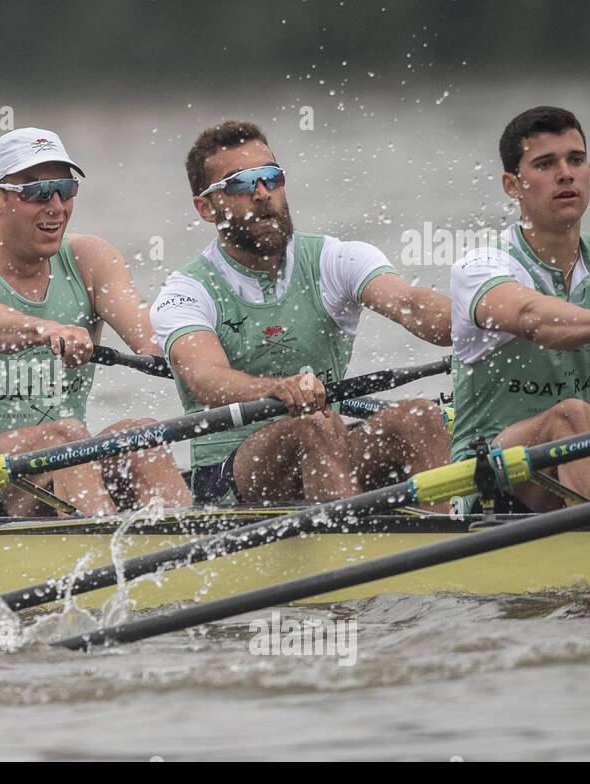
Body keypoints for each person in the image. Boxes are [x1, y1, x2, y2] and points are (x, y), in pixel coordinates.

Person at [150, 121, 453, 505]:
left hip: (329, 447)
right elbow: (207, 378)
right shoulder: (187, 291)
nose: (261, 194)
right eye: (240, 184)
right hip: (230, 479)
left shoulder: (333, 259)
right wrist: (274, 388)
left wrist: (478, 320)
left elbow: (409, 304)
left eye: (270, 177)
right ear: (206, 208)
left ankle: (446, 537)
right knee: (312, 425)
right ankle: (346, 553)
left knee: (421, 418)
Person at [0, 127, 191, 517]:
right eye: (37, 192)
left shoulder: (90, 260)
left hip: (63, 474)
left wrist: (204, 352)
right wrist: (46, 329)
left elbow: (152, 338)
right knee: (67, 435)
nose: (55, 206)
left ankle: (193, 559)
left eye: (65, 189)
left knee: (141, 434)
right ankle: (102, 560)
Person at [449, 105, 590, 511]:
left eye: (575, 160)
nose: (566, 173)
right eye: (546, 164)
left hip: (570, 473)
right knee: (572, 417)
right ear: (512, 185)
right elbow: (530, 318)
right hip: (488, 485)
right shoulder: (481, 266)